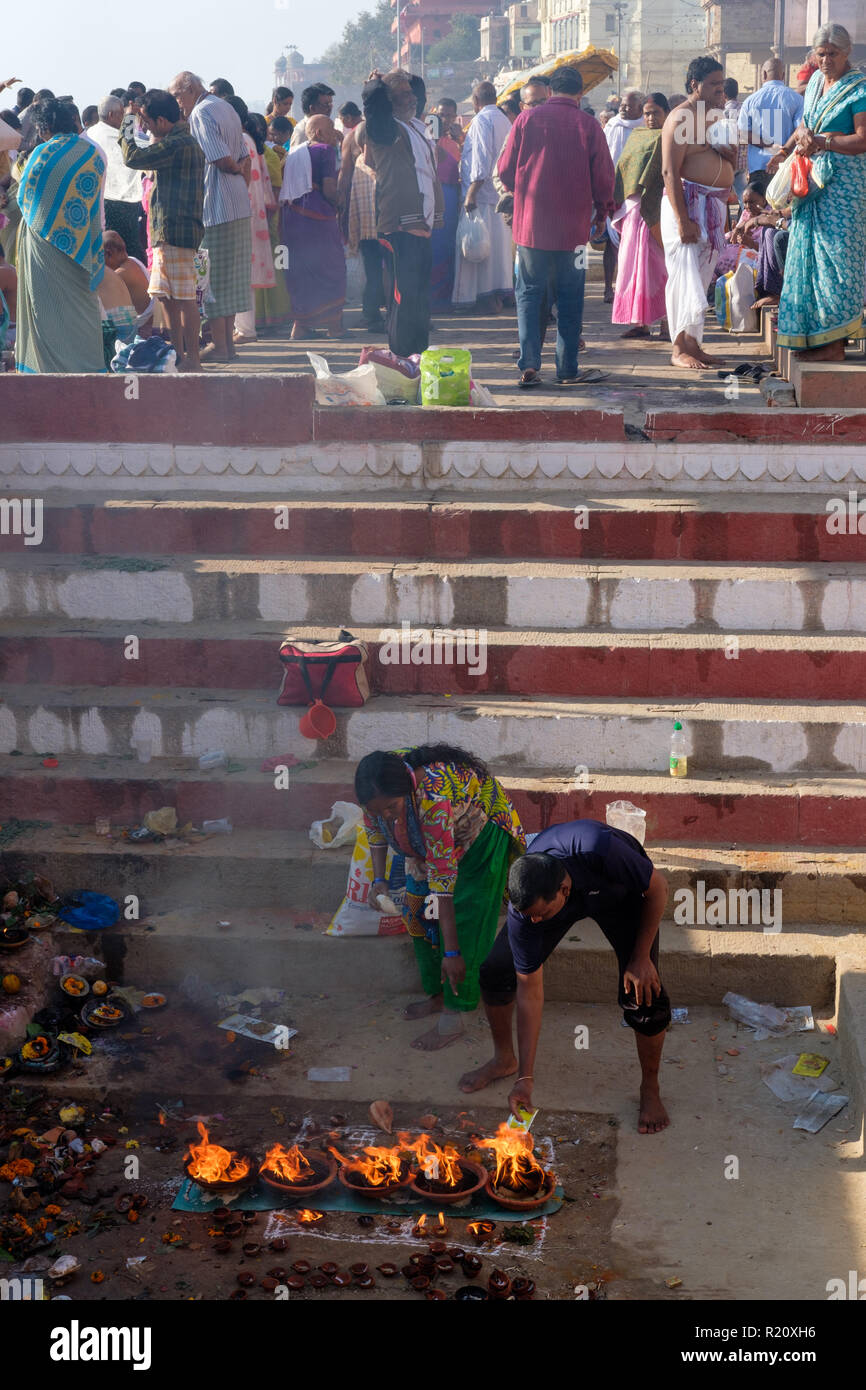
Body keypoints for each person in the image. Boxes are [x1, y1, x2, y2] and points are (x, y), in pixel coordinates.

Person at [459, 819, 672, 1135]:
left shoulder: (603, 849)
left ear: (564, 890)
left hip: (619, 891)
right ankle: (505, 1060)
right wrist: (526, 1080)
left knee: (644, 994)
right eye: (527, 915)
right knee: (496, 971)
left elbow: (658, 889)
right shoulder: (527, 911)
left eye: (539, 915)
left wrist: (640, 958)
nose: (533, 921)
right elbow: (529, 990)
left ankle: (650, 1088)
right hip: (559, 894)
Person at [355, 744, 525, 1052]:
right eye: (377, 811)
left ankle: (455, 1013)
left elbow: (443, 882)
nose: (386, 816)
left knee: (465, 924)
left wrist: (451, 953)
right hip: (425, 842)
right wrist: (378, 880)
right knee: (418, 912)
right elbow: (376, 833)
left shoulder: (432, 797)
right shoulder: (376, 790)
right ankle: (436, 994)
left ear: (407, 792)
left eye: (391, 807)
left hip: (479, 832)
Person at [497, 63, 614, 388]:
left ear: (549, 91)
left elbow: (505, 170)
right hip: (575, 233)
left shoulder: (525, 120)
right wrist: (603, 211)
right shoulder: (589, 126)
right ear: (580, 93)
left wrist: (524, 190)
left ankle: (529, 364)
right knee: (571, 295)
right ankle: (567, 369)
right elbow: (604, 178)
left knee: (530, 293)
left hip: (531, 229)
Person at [770, 24, 866, 361]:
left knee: (837, 259)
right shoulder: (813, 83)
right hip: (811, 183)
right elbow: (805, 127)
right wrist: (785, 150)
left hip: (844, 186)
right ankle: (815, 339)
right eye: (821, 54)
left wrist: (824, 143)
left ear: (847, 53)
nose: (826, 60)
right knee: (808, 255)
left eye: (833, 54)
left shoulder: (859, 89)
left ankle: (835, 344)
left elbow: (862, 139)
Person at [15, 98, 106, 373]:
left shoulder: (41, 154)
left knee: (45, 309)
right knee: (80, 309)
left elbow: (24, 197)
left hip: (42, 245)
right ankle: (89, 367)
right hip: (81, 246)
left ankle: (48, 373)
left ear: (45, 126)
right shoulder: (91, 154)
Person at [119, 87, 205, 370]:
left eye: (146, 120)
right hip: (170, 231)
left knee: (184, 297)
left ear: (163, 122)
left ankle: (192, 358)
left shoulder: (178, 144)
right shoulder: (180, 140)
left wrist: (128, 121)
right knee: (169, 297)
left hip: (175, 231)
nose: (144, 125)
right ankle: (179, 356)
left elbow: (132, 157)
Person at [169, 70, 250, 364]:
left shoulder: (201, 113)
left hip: (215, 207)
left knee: (212, 281)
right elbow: (244, 158)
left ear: (190, 90)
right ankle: (227, 345)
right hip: (238, 204)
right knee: (230, 279)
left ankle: (222, 347)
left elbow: (222, 159)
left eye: (178, 96)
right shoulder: (225, 106)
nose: (178, 103)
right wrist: (239, 171)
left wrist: (234, 168)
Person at [362, 68, 443, 357]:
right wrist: (375, 84)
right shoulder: (385, 130)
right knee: (403, 296)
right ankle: (400, 355)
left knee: (419, 297)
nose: (412, 100)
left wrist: (404, 76)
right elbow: (373, 102)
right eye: (404, 95)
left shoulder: (416, 127)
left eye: (411, 94)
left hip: (421, 225)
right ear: (389, 101)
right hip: (398, 226)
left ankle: (418, 356)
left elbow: (418, 90)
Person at [661, 56, 735, 370]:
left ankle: (694, 343)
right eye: (714, 85)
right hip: (688, 207)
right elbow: (669, 171)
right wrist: (682, 220)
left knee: (701, 276)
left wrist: (725, 153)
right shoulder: (680, 118)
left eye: (722, 84)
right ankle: (678, 348)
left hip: (713, 206)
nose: (721, 90)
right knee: (683, 276)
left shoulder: (714, 117)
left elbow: (730, 157)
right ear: (696, 85)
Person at [279, 113, 345, 338]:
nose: (336, 135)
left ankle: (301, 326)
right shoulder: (325, 151)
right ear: (319, 133)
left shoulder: (294, 152)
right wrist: (341, 203)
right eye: (331, 130)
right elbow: (328, 188)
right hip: (317, 218)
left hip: (291, 219)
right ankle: (334, 327)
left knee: (300, 270)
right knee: (331, 268)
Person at [611, 92, 669, 340]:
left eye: (656, 112)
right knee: (632, 265)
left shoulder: (671, 137)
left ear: (666, 113)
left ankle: (668, 323)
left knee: (660, 266)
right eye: (646, 113)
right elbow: (624, 169)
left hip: (658, 209)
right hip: (634, 210)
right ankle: (639, 322)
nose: (651, 118)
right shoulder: (636, 137)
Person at [452, 81, 513, 313]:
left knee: (477, 247)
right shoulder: (503, 120)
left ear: (476, 102)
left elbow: (480, 160)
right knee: (496, 250)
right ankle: (496, 296)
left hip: (481, 196)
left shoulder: (480, 121)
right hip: (498, 194)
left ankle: (483, 299)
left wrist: (471, 194)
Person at [234, 108, 276, 343]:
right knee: (244, 274)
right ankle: (243, 328)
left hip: (241, 214)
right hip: (252, 214)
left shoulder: (240, 140)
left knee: (240, 274)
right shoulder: (248, 139)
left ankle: (245, 330)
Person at [88, 96, 145, 261]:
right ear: (112, 115)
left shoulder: (90, 133)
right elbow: (135, 150)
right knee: (128, 253)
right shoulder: (113, 134)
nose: (124, 116)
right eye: (122, 113)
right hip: (121, 203)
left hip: (101, 201)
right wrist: (130, 119)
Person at [345, 125, 387, 331]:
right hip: (389, 228)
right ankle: (390, 314)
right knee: (392, 273)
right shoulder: (386, 159)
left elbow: (353, 203)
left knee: (373, 276)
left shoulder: (359, 162)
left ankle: (371, 316)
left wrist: (353, 235)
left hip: (368, 232)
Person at [738, 58, 803, 174]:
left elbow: (743, 133)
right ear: (783, 75)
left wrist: (769, 145)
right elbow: (801, 129)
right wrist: (782, 151)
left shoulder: (750, 101)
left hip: (758, 168)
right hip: (786, 167)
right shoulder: (797, 99)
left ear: (763, 74)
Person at [102, 228, 153, 334]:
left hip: (146, 324)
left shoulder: (121, 273)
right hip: (149, 318)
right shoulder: (133, 261)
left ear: (109, 254)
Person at [723, 76, 749, 205]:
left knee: (720, 198)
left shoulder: (722, 112)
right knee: (743, 197)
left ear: (723, 94)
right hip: (742, 163)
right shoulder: (745, 109)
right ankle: (747, 220)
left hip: (726, 164)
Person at [290, 84, 336, 148]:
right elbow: (297, 156)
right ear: (312, 108)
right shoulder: (301, 133)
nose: (330, 108)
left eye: (330, 104)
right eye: (326, 104)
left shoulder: (327, 126)